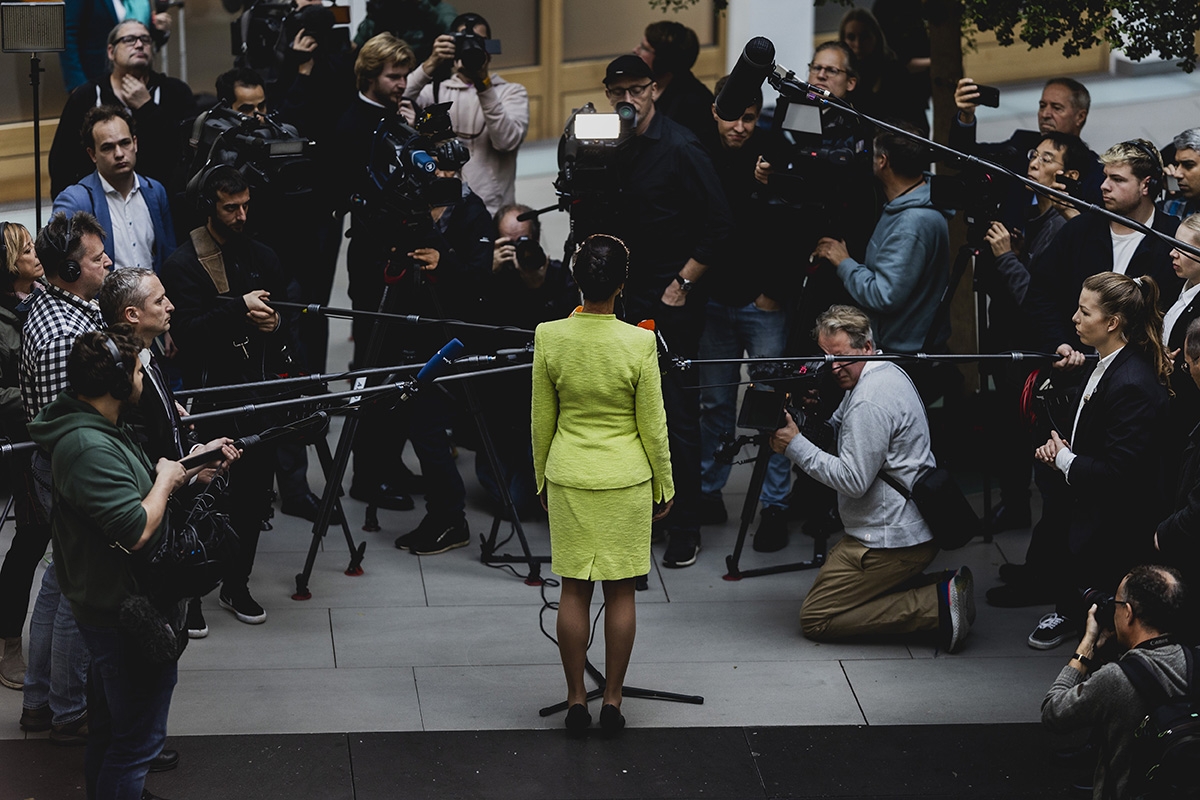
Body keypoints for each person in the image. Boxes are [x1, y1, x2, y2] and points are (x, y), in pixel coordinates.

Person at [26, 328, 237, 800]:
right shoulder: (87, 447)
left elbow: (132, 493)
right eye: (139, 371)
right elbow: (136, 527)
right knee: (138, 742)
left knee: (110, 730)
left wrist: (190, 470)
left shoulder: (103, 429)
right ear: (118, 384)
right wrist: (164, 480)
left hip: (119, 600)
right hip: (120, 610)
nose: (144, 379)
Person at [770, 305, 976, 652]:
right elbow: (835, 430)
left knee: (817, 616)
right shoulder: (882, 370)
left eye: (839, 356)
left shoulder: (869, 399)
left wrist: (794, 446)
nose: (832, 367)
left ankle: (935, 604)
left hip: (890, 538)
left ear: (866, 345)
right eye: (825, 357)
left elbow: (852, 480)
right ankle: (942, 585)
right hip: (902, 525)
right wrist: (805, 418)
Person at [532, 234, 674, 735]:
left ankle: (575, 700)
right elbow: (652, 425)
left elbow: (540, 421)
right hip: (625, 478)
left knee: (573, 588)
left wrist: (540, 480)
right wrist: (665, 484)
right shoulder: (638, 342)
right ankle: (612, 700)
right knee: (621, 593)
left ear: (576, 278)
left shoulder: (549, 336)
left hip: (569, 474)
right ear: (622, 282)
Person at [597, 53, 733, 569]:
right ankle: (644, 512)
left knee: (676, 414)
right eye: (618, 92)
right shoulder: (611, 144)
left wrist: (682, 282)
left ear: (654, 89)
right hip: (621, 298)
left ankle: (685, 525)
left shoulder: (681, 146)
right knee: (626, 411)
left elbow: (720, 225)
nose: (627, 99)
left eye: (636, 89)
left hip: (670, 300)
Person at [160, 166, 288, 625]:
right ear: (207, 206)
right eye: (230, 207)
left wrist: (276, 325)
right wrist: (238, 309)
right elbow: (188, 336)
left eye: (245, 206)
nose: (240, 215)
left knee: (254, 499)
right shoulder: (183, 264)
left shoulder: (263, 254)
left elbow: (287, 311)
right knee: (203, 497)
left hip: (258, 396)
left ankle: (237, 585)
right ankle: (192, 595)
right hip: (210, 399)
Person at [1029, 272, 1171, 649]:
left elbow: (1116, 473)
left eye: (1084, 311)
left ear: (1112, 322)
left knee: (1109, 638)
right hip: (1095, 524)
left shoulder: (1131, 383)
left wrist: (1063, 460)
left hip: (1116, 534)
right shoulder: (1107, 363)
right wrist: (1061, 451)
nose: (1074, 319)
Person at [18, 211, 110, 743]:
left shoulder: (70, 305)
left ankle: (38, 701)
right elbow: (70, 432)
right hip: (72, 476)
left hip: (66, 472)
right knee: (80, 591)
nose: (109, 263)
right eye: (98, 259)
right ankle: (70, 711)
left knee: (56, 583)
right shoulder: (59, 337)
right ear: (71, 270)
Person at [696, 76, 793, 550]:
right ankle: (709, 490)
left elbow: (799, 223)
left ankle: (774, 504)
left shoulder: (775, 151)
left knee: (770, 405)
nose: (740, 126)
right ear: (715, 110)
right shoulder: (699, 151)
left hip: (763, 303)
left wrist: (774, 292)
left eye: (750, 117)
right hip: (715, 300)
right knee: (714, 403)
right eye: (732, 115)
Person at [1042, 565, 1190, 800]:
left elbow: (1054, 712)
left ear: (1128, 612)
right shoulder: (1196, 660)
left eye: (1117, 603)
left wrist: (1087, 645)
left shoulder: (1116, 679)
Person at [811, 122, 951, 356]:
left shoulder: (911, 224)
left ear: (883, 161)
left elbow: (883, 295)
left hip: (904, 351)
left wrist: (844, 262)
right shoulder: (916, 200)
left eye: (873, 154)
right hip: (909, 341)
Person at [49, 20, 193, 200]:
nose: (139, 44)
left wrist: (147, 107)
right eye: (130, 39)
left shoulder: (175, 92)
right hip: (98, 202)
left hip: (162, 198)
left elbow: (183, 153)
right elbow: (63, 162)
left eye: (145, 40)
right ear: (111, 52)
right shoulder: (87, 96)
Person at [403, 12, 530, 216]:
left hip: (493, 209)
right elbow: (396, 98)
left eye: (478, 42)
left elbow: (506, 141)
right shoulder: (436, 92)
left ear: (489, 48)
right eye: (464, 42)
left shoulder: (511, 92)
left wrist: (484, 85)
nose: (471, 48)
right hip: (444, 209)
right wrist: (430, 64)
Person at [952, 75, 1101, 228]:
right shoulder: (1022, 144)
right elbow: (964, 158)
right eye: (1042, 106)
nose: (1045, 114)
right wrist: (966, 116)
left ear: (1080, 117)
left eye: (1056, 108)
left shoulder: (1093, 171)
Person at [0, 222, 46, 690]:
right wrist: (37, 393)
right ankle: (8, 641)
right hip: (22, 444)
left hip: (52, 436)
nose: (36, 256)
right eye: (28, 250)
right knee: (30, 544)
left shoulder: (40, 298)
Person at [52, 105, 177, 272]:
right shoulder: (75, 200)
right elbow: (58, 261)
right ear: (92, 154)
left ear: (135, 143)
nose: (119, 153)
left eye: (125, 143)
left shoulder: (155, 190)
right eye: (107, 147)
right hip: (104, 297)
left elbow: (169, 255)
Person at [838, 8, 928, 135]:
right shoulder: (839, 73)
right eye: (851, 37)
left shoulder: (895, 72)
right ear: (843, 39)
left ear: (876, 36)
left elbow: (917, 122)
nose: (857, 44)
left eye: (864, 36)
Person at [60, 0, 172, 92]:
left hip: (138, 81)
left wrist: (160, 29)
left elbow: (145, 37)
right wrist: (77, 82)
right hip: (96, 77)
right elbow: (67, 34)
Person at [633, 21, 714, 145]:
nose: (635, 50)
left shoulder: (695, 101)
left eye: (644, 48)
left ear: (662, 60)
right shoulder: (642, 86)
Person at [1162, 128, 1200, 219]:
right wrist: (1153, 188)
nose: (1177, 174)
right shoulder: (1172, 209)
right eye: (1177, 165)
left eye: (1188, 165)